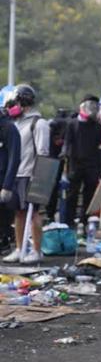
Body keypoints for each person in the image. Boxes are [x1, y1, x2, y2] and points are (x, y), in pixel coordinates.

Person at [2, 85, 50, 264]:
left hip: (31, 174)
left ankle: (37, 250)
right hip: (17, 174)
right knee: (19, 213)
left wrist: (39, 178)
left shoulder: (39, 123)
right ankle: (19, 248)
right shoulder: (15, 123)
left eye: (15, 102)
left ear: (24, 102)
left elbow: (43, 152)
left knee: (34, 214)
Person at [62, 95, 101, 227]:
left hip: (92, 166)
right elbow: (67, 142)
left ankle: (84, 221)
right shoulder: (72, 124)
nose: (92, 109)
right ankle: (69, 222)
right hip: (75, 164)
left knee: (89, 195)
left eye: (95, 106)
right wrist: (65, 154)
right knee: (72, 195)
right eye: (90, 105)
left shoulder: (98, 127)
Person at [0, 105, 21, 254]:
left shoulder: (8, 128)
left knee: (3, 213)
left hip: (3, 178)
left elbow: (14, 158)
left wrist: (7, 185)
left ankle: (4, 240)